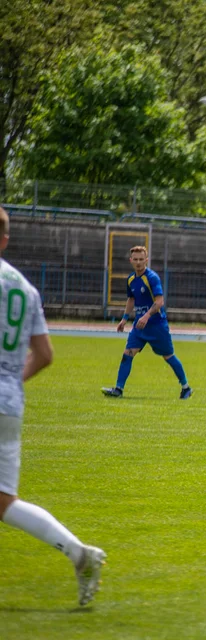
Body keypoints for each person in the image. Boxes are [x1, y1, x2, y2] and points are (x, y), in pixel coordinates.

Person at [0, 207, 106, 605]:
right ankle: (79, 553)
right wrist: (10, 381)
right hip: (9, 402)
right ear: (6, 239)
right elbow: (44, 354)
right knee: (4, 502)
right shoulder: (25, 288)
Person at [101, 246, 192, 399]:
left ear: (146, 260)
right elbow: (131, 299)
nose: (138, 262)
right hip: (139, 327)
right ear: (131, 261)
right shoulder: (131, 279)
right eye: (135, 260)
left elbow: (160, 302)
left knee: (168, 356)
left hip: (157, 326)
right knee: (127, 354)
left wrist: (146, 316)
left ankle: (186, 387)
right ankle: (118, 389)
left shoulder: (152, 278)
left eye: (141, 260)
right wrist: (124, 319)